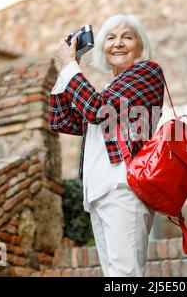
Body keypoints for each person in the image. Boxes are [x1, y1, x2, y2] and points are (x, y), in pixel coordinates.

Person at [48, 14, 166, 277]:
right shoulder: (109, 89)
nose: (118, 43)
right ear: (102, 46)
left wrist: (70, 66)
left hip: (124, 188)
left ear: (140, 45)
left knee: (126, 276)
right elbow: (60, 120)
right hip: (99, 193)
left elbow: (95, 109)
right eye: (111, 38)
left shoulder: (147, 72)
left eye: (127, 36)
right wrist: (67, 69)